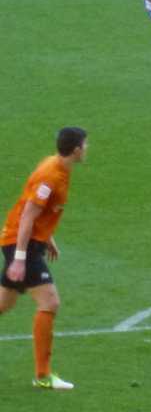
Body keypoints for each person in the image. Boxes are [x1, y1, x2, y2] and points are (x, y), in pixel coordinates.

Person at [1, 126, 88, 391]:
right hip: (21, 244)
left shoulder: (56, 166)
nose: (87, 149)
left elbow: (40, 212)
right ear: (75, 149)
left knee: (3, 303)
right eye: (85, 145)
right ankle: (43, 375)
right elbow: (28, 214)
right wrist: (19, 259)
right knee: (50, 301)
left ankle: (43, 375)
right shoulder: (50, 176)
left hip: (27, 242)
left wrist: (48, 237)